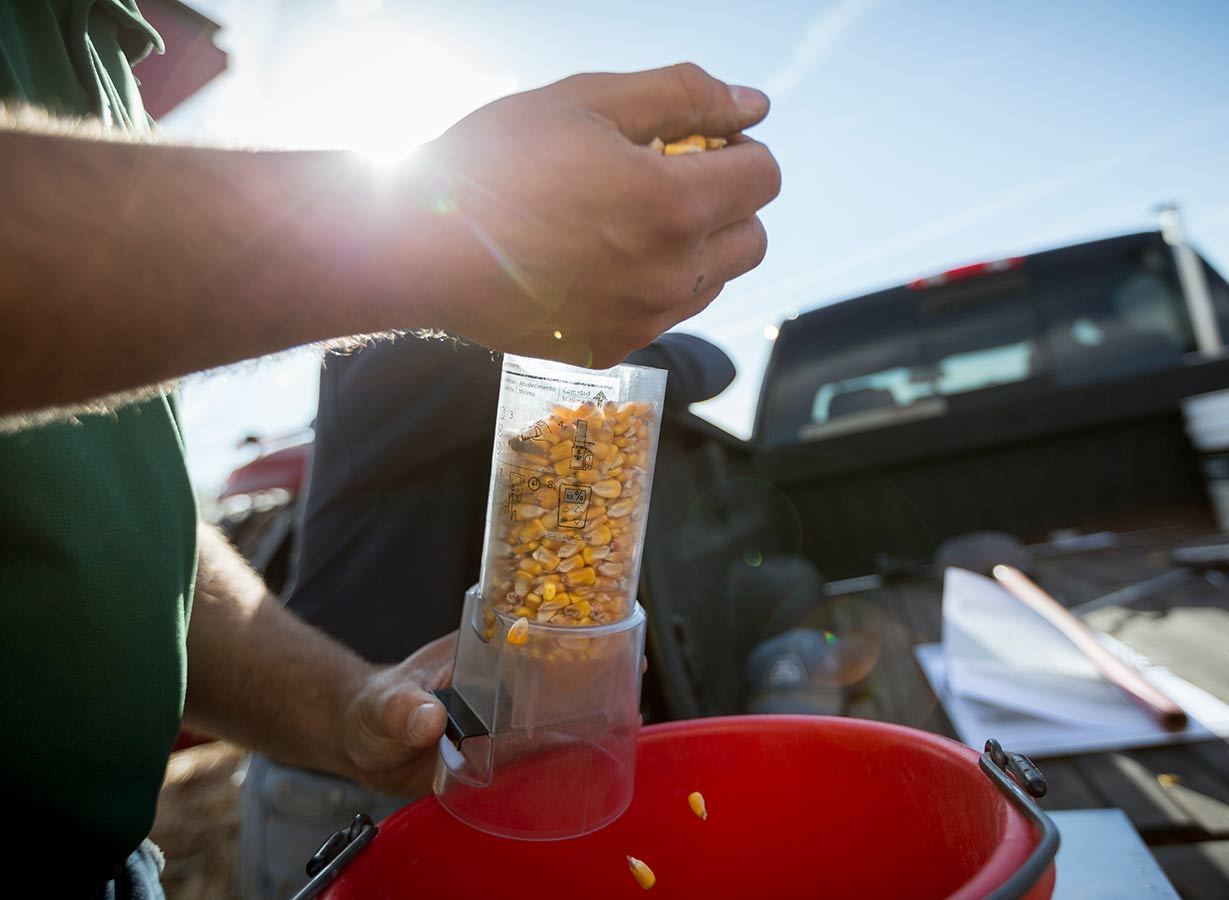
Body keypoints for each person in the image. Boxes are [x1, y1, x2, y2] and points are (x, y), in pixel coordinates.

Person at [0, 2, 779, 896]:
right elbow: (684, 363)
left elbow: (119, 521)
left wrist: (346, 707)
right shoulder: (434, 339)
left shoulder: (97, 48)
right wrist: (420, 236)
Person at [238, 333, 734, 898]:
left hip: (464, 751)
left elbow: (710, 363)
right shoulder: (394, 351)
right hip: (330, 776)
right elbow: (609, 351)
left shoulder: (507, 365)